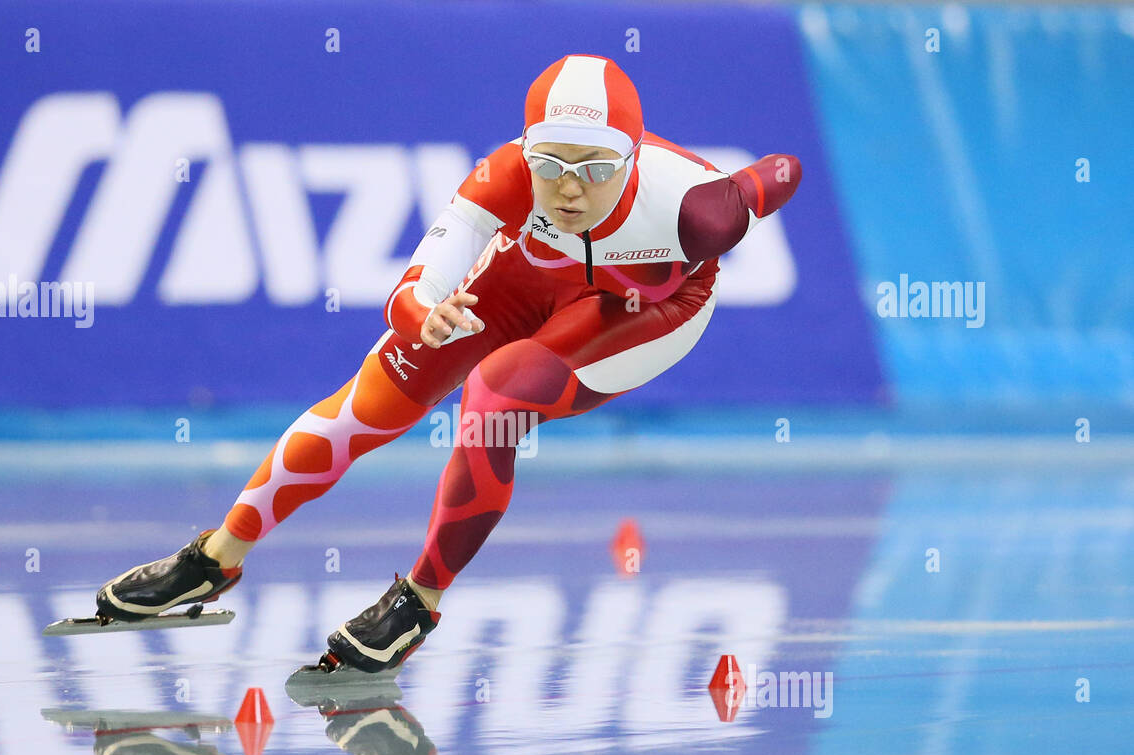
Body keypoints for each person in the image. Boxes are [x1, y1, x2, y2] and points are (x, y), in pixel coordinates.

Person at [95, 53, 802, 673]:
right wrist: (423, 316)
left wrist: (745, 189)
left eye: (594, 168)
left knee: (494, 398)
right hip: (531, 278)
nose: (569, 188)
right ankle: (214, 558)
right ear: (526, 151)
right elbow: (415, 285)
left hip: (645, 309)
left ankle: (419, 601)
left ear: (633, 156)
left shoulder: (695, 209)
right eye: (550, 163)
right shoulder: (504, 178)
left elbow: (783, 171)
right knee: (366, 406)